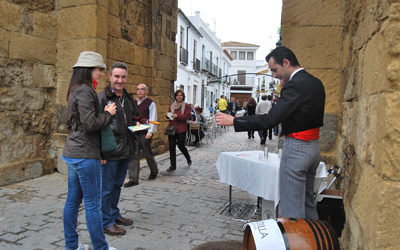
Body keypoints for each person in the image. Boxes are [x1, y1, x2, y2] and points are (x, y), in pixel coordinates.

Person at [215, 46, 325, 220]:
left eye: (275, 70)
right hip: (313, 149)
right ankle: (314, 241)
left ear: (286, 63)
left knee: (292, 209)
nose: (273, 75)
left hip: (297, 149)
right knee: (308, 204)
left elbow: (269, 120)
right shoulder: (316, 82)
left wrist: (234, 121)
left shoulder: (295, 85)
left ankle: (295, 245)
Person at [62, 51, 117, 250]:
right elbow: (90, 124)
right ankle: (101, 248)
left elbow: (72, 123)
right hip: (85, 156)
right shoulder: (85, 91)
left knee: (72, 202)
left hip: (73, 153)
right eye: (99, 69)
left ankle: (72, 246)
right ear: (88, 70)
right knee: (93, 205)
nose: (102, 73)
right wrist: (108, 113)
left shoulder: (74, 89)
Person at [98, 62, 139, 236]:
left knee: (116, 186)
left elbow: (130, 119)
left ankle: (114, 214)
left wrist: (136, 124)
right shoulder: (102, 98)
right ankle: (106, 222)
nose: (120, 80)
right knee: (106, 188)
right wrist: (100, 152)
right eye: (116, 76)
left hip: (125, 148)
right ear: (110, 77)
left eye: (123, 77)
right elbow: (97, 126)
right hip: (110, 150)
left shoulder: (128, 99)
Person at [124, 83, 158, 187]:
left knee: (147, 153)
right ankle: (133, 179)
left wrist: (151, 132)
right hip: (134, 131)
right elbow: (131, 116)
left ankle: (154, 171)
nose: (140, 91)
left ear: (146, 91)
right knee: (133, 154)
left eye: (142, 89)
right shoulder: (133, 103)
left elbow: (153, 118)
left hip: (145, 132)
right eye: (138, 89)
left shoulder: (150, 103)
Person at [165, 89, 192, 171]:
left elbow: (186, 117)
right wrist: (167, 115)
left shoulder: (186, 105)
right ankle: (173, 166)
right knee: (172, 148)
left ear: (183, 96)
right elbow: (170, 116)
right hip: (172, 129)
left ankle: (188, 158)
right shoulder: (172, 105)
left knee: (181, 146)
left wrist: (177, 116)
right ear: (175, 97)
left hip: (181, 129)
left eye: (180, 95)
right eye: (177, 95)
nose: (179, 97)